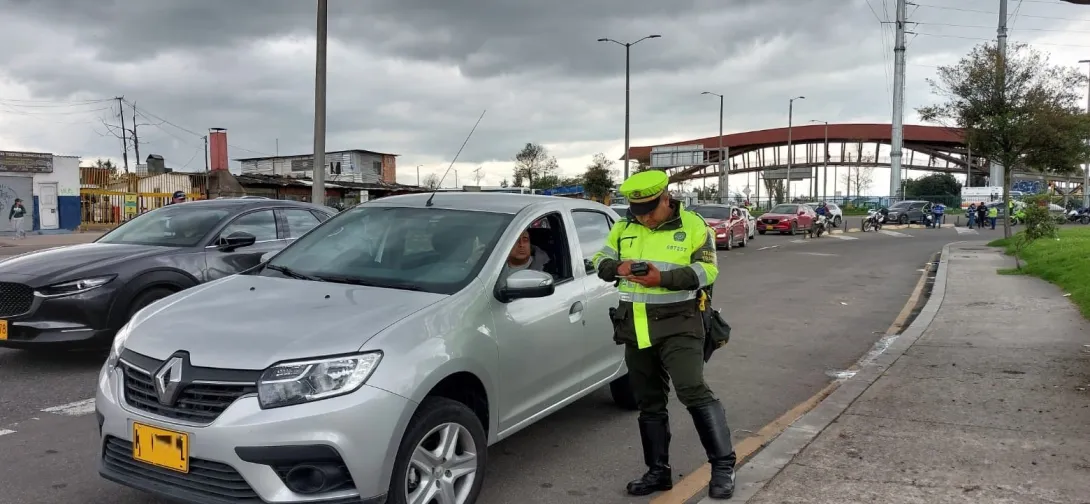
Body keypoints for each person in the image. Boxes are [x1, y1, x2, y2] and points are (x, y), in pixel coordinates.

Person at [590, 170, 736, 500]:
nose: (643, 218)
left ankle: (723, 466)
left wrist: (662, 279)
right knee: (649, 400)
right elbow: (599, 259)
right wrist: (618, 268)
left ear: (666, 200)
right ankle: (658, 472)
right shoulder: (624, 227)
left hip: (680, 322)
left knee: (691, 388)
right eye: (637, 211)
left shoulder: (693, 225)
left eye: (649, 210)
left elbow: (707, 270)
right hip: (635, 324)